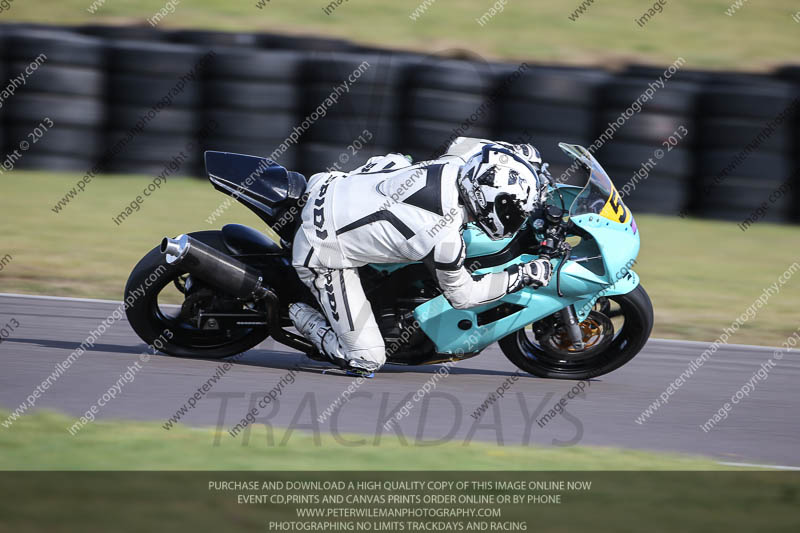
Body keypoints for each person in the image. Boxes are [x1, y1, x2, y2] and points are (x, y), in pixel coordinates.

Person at [288, 136, 553, 376]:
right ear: (489, 202)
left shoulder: (457, 167)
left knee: (398, 162)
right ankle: (300, 314)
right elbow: (464, 296)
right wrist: (521, 275)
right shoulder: (443, 238)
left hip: (331, 184)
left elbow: (468, 144)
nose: (516, 218)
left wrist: (520, 156)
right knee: (367, 358)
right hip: (320, 248)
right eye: (513, 211)